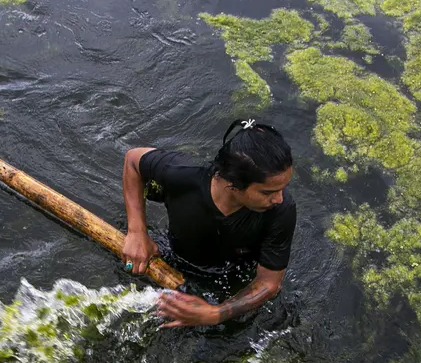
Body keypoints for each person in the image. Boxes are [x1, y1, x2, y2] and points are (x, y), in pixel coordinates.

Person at [120, 119, 297, 328]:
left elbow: (268, 283)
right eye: (268, 192)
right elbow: (133, 160)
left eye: (283, 188)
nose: (279, 199)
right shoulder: (182, 175)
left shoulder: (281, 211)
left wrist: (217, 313)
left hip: (235, 280)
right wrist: (137, 231)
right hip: (175, 257)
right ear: (234, 185)